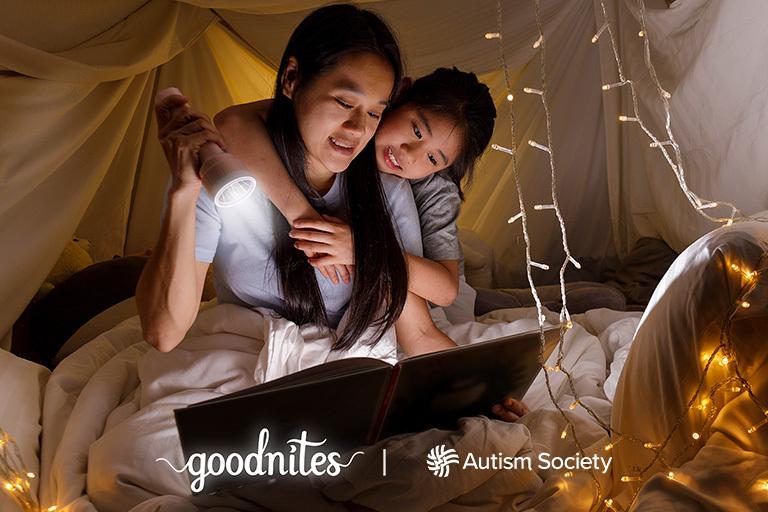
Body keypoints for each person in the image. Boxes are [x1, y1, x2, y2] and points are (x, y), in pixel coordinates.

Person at [136, 4, 418, 354]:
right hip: (243, 360)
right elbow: (163, 333)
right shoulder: (224, 179)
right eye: (345, 102)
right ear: (291, 79)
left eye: (375, 112)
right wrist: (184, 190)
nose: (358, 128)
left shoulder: (386, 193)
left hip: (344, 372)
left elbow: (416, 327)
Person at [214, 68, 497, 354]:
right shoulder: (328, 122)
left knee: (480, 307)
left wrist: (361, 251)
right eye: (416, 130)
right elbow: (233, 120)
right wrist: (304, 214)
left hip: (429, 286)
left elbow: (442, 296)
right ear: (397, 97)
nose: (409, 154)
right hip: (394, 283)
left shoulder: (420, 187)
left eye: (433, 158)